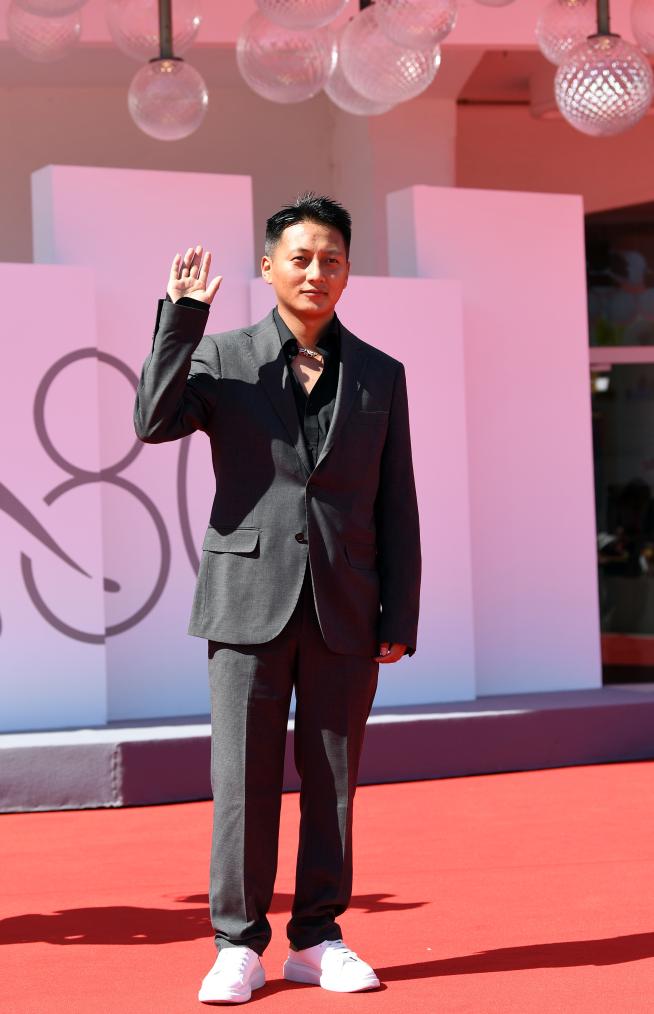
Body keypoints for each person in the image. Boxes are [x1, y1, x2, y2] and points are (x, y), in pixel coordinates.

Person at [133, 192, 421, 1004]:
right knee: (242, 782)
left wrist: (399, 612)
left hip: (346, 605)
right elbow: (152, 420)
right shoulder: (224, 357)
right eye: (300, 257)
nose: (316, 271)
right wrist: (181, 319)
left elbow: (396, 500)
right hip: (246, 601)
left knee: (333, 784)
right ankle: (237, 944)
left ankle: (318, 937)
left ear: (348, 271)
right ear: (268, 267)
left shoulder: (381, 374)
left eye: (331, 259)